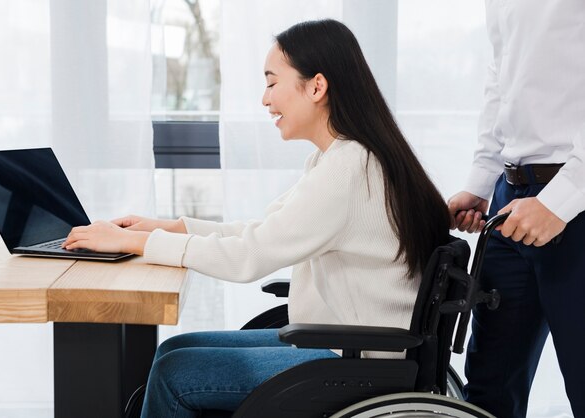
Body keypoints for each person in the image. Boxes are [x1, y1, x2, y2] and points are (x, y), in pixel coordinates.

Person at [63, 19, 450, 417]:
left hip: (358, 359)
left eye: (271, 82)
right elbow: (263, 231)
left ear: (316, 87)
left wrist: (134, 243)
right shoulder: (341, 158)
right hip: (350, 346)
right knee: (171, 351)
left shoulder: (348, 168)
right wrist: (168, 227)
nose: (265, 100)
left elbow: (249, 256)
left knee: (175, 373)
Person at [448, 1, 585, 417]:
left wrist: (562, 198)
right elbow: (501, 80)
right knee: (488, 393)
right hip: (511, 201)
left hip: (574, 201)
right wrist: (482, 178)